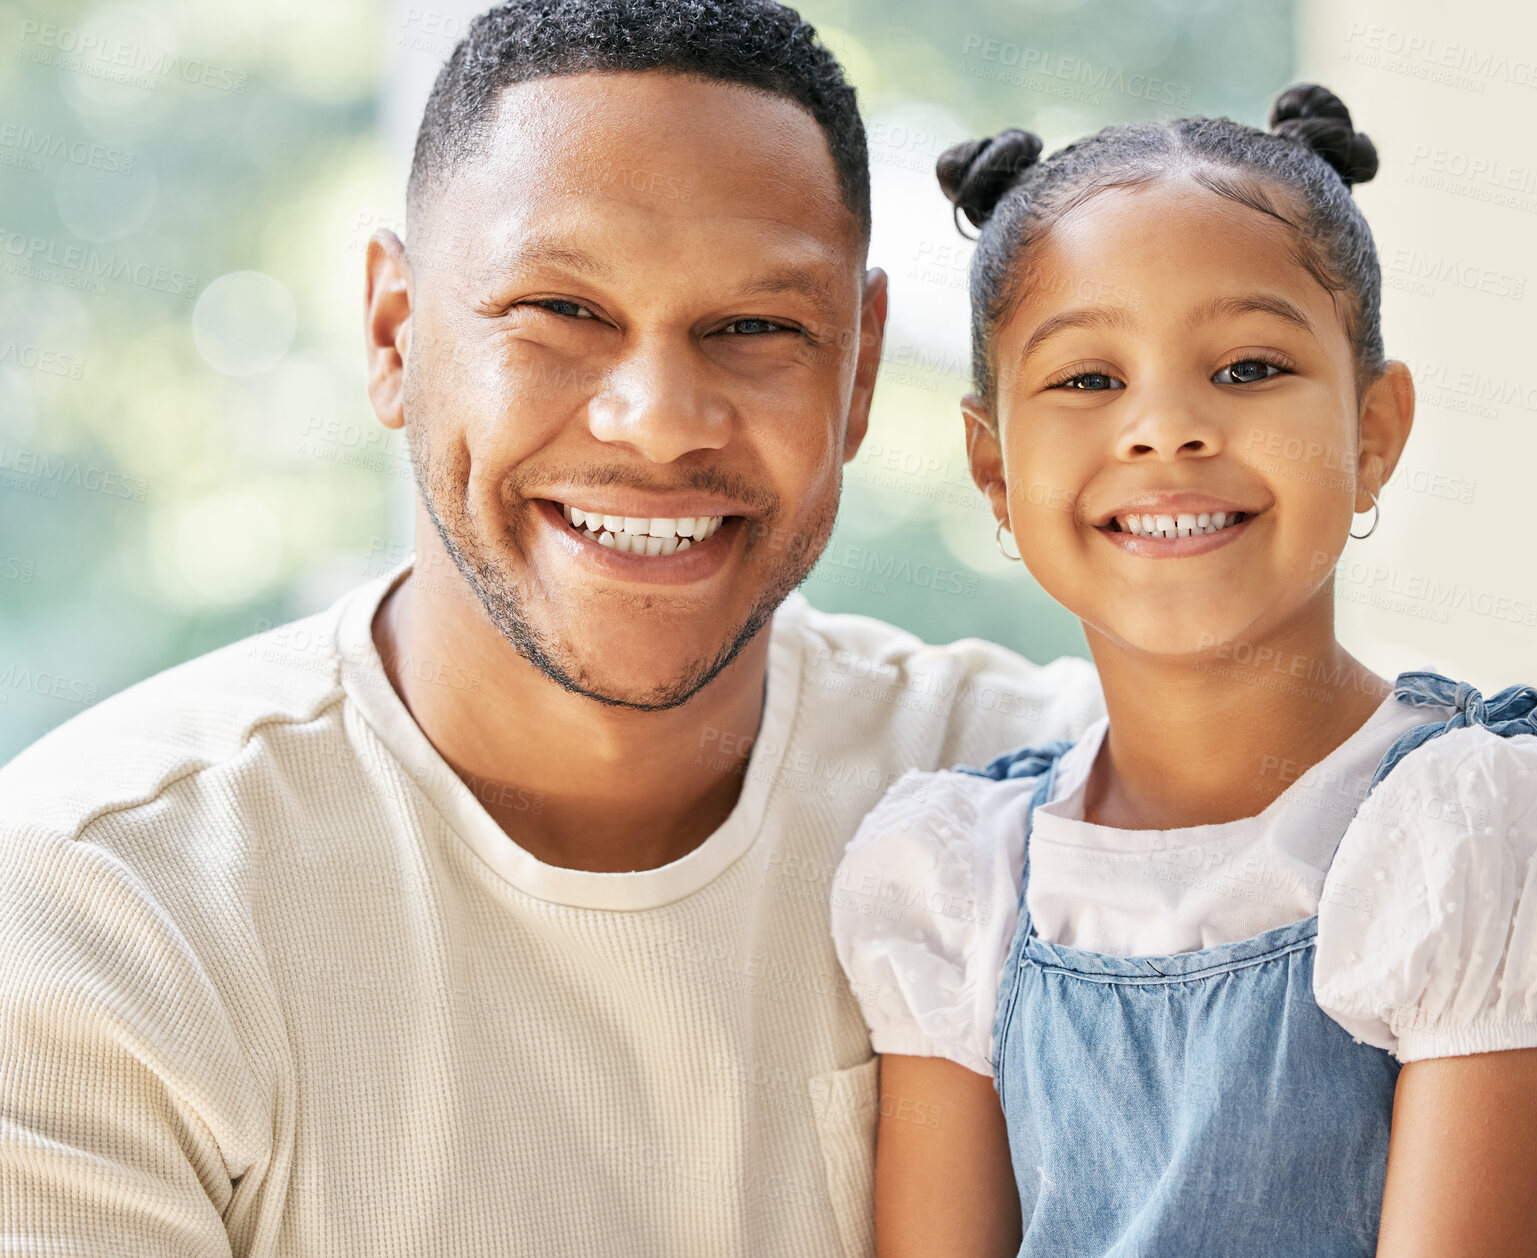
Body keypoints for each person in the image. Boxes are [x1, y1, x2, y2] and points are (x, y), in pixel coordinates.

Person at [0, 1, 1104, 1253]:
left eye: (754, 329)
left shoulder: (1063, 798)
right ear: (393, 334)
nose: (657, 418)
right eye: (559, 311)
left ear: (855, 379)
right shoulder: (105, 903)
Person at [831, 84, 1537, 1257]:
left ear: (1371, 433)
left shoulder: (1475, 835)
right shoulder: (953, 880)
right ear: (991, 466)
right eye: (1086, 380)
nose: (1166, 428)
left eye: (1246, 367)